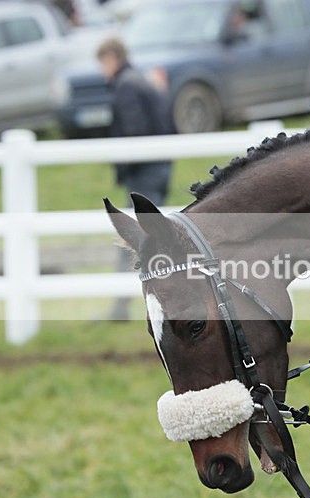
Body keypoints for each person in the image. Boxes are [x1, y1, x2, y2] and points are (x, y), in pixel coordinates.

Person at [97, 37, 175, 320]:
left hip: (145, 173)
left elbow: (134, 131)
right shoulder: (139, 80)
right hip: (157, 169)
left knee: (137, 239)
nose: (102, 70)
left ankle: (123, 307)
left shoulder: (126, 85)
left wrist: (121, 165)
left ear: (111, 57)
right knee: (152, 238)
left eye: (102, 63)